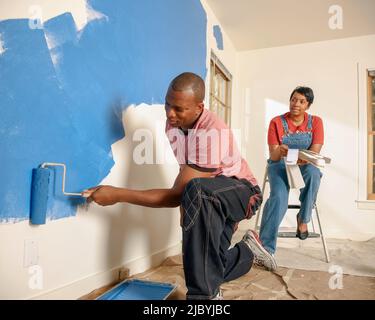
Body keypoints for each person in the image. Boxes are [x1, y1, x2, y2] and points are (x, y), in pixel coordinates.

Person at [83, 72, 277, 300]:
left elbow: (182, 193)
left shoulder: (211, 131)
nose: (169, 114)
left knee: (196, 204)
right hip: (212, 195)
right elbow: (187, 177)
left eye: (178, 109)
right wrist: (189, 211)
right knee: (209, 267)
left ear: (199, 107)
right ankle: (248, 251)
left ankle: (203, 300)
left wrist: (117, 194)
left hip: (244, 192)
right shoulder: (173, 126)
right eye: (167, 104)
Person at [259, 86, 324, 259]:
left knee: (314, 174)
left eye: (302, 101)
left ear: (308, 105)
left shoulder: (316, 122)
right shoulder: (276, 122)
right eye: (293, 99)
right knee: (279, 197)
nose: (296, 104)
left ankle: (303, 219)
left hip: (304, 164)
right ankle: (266, 248)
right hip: (279, 164)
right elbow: (273, 156)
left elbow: (315, 151)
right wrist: (280, 150)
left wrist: (306, 158)